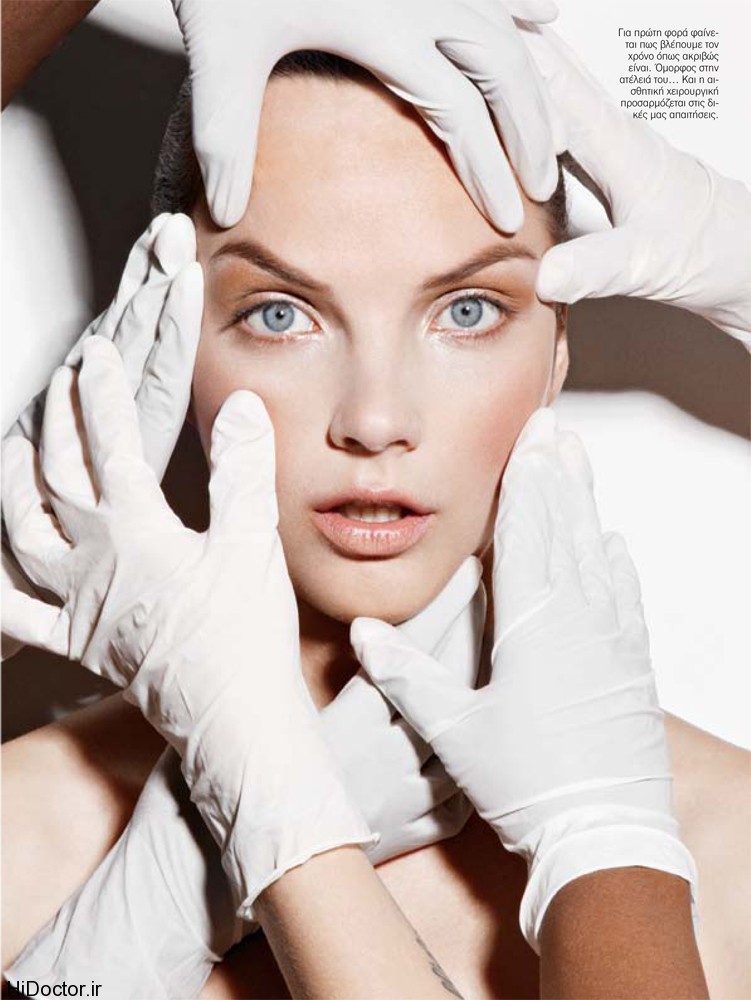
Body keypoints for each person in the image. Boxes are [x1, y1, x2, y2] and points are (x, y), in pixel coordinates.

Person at [2, 47, 749, 999]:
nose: (374, 418)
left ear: (555, 353)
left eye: (467, 310)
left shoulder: (725, 851)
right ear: (170, 343)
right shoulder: (25, 836)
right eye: (280, 315)